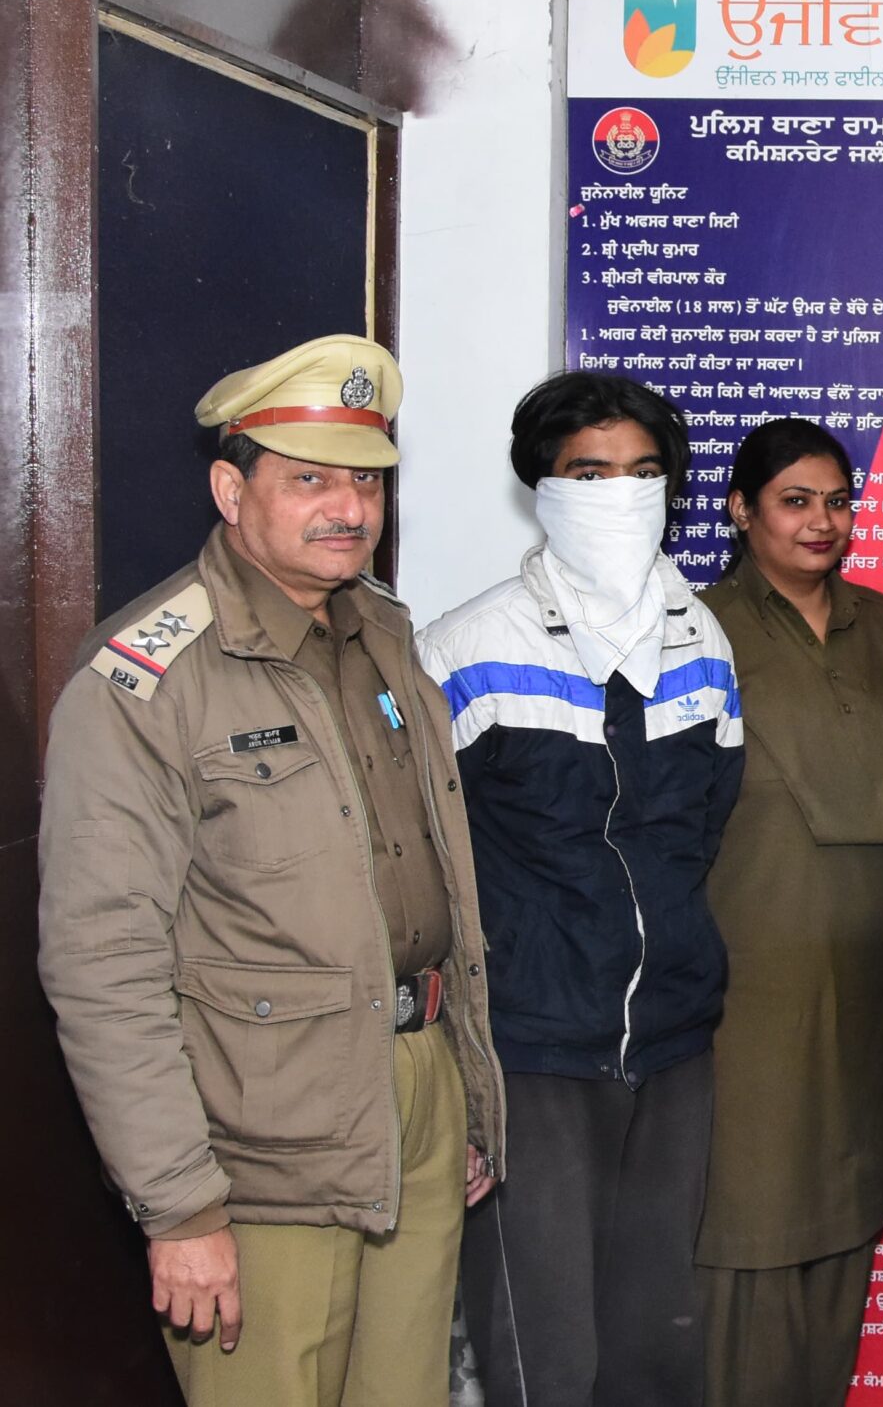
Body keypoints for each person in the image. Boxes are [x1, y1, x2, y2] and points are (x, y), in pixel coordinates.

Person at [36, 335, 504, 1407]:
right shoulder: (146, 678)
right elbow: (102, 965)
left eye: (366, 481)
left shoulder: (384, 632)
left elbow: (438, 881)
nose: (348, 508)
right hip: (258, 1148)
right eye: (309, 480)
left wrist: (467, 1095)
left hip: (416, 1094)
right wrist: (179, 1206)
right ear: (229, 490)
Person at [420, 371, 743, 1407]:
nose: (619, 495)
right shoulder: (466, 648)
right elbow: (426, 858)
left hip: (671, 1046)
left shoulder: (702, 639)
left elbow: (702, 827)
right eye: (590, 474)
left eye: (643, 473)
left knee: (656, 1353)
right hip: (534, 1053)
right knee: (544, 1358)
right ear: (542, 485)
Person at [694, 418, 883, 1407]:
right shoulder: (697, 626)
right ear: (741, 510)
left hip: (861, 982)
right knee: (746, 1241)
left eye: (837, 501)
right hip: (743, 987)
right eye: (795, 501)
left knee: (843, 1234)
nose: (821, 521)